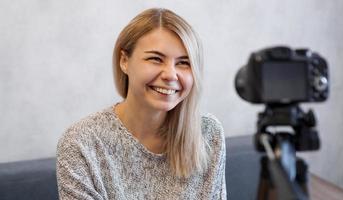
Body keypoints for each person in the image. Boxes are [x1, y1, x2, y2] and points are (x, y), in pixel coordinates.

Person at [56, 8, 226, 200]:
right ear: (124, 61)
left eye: (183, 63)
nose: (170, 75)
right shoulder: (81, 143)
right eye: (155, 59)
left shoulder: (208, 133)